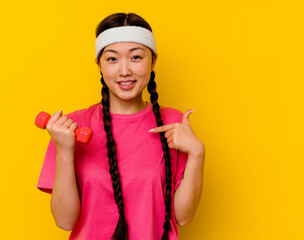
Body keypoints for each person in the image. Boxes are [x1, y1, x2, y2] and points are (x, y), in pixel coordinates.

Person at [37, 12, 205, 240]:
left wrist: (197, 153)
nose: (124, 71)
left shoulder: (173, 125)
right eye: (112, 59)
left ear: (153, 60)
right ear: (99, 64)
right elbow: (64, 221)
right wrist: (65, 150)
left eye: (136, 57)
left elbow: (183, 217)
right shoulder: (71, 128)